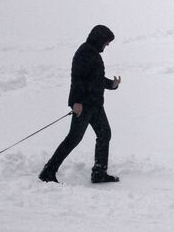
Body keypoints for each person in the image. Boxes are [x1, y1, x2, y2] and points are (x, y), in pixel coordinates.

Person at [39, 25, 122, 184]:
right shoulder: (85, 52)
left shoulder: (93, 53)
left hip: (96, 105)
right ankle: (48, 172)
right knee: (73, 139)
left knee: (105, 134)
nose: (108, 44)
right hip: (84, 105)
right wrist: (76, 102)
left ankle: (99, 173)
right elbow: (78, 79)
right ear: (99, 38)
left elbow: (95, 79)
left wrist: (112, 84)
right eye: (107, 41)